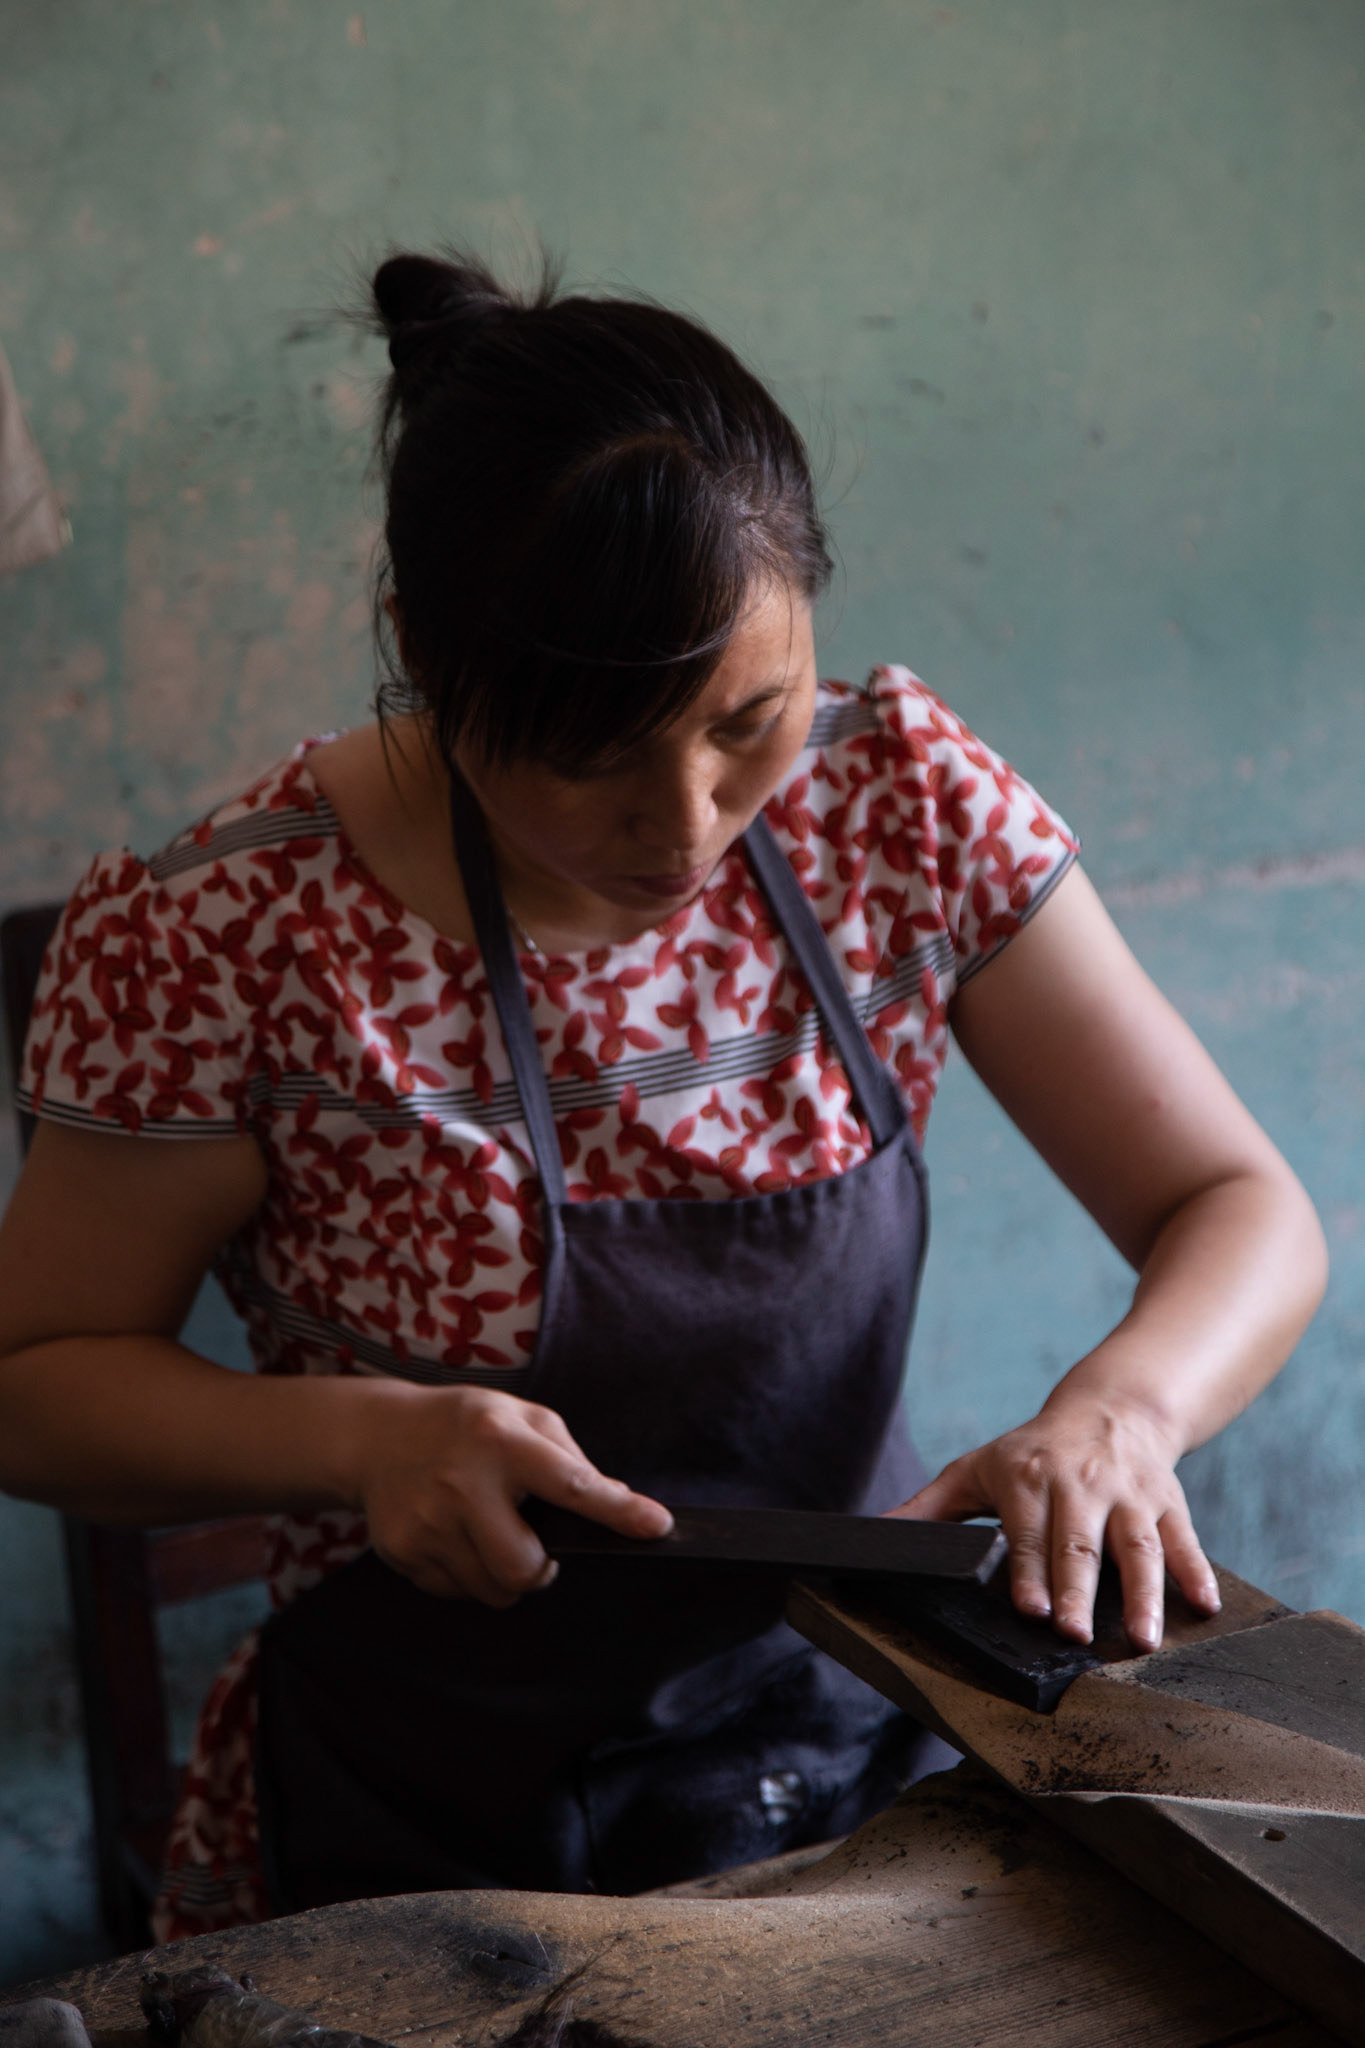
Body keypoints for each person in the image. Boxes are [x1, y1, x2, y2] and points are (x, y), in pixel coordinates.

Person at [0, 252, 1326, 1937]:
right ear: (423, 655)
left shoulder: (894, 803)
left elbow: (1238, 1206)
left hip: (859, 1730)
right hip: (432, 1810)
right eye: (590, 755)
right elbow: (32, 1386)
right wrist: (361, 1438)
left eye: (745, 721)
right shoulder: (228, 934)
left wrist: (1121, 1413)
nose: (688, 823)